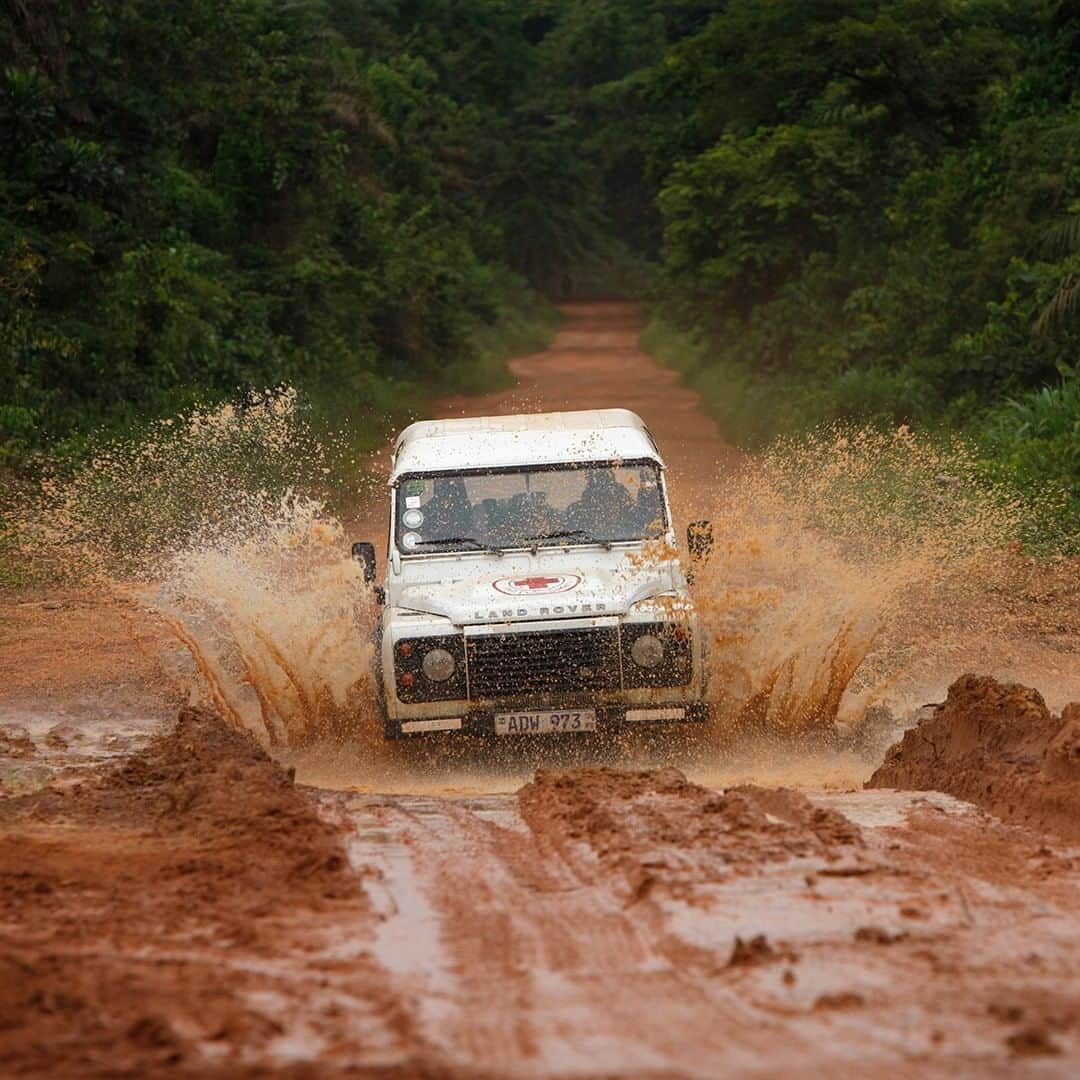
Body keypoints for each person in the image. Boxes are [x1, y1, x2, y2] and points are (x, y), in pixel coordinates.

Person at [565, 468, 634, 538]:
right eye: (599, 500)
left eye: (610, 500)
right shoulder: (576, 516)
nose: (605, 507)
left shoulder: (630, 523)